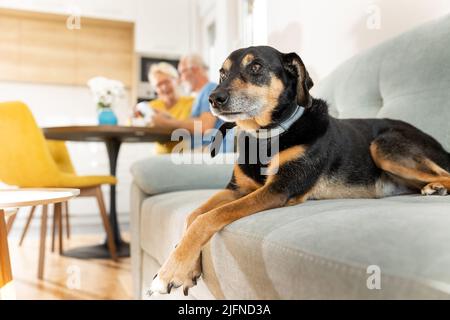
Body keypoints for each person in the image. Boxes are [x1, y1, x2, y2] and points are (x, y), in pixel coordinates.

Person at [146, 62, 194, 153]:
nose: (164, 87)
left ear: (177, 80)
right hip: (159, 157)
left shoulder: (191, 102)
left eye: (167, 82)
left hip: (184, 158)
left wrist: (166, 120)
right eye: (159, 85)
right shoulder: (152, 106)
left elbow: (196, 128)